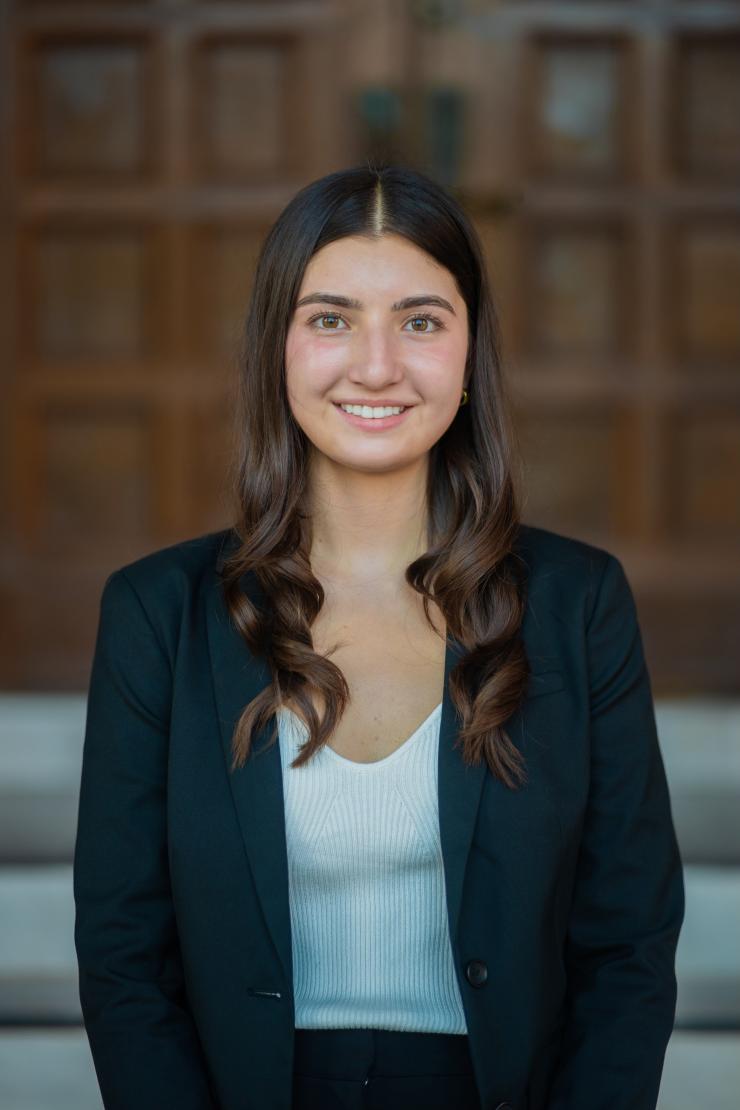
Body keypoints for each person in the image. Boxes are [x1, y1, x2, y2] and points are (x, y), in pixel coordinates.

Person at [73, 162, 685, 1110]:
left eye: (420, 320)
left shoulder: (578, 603)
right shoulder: (158, 613)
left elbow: (628, 947)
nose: (376, 365)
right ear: (277, 348)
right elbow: (122, 955)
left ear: (469, 351)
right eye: (330, 318)